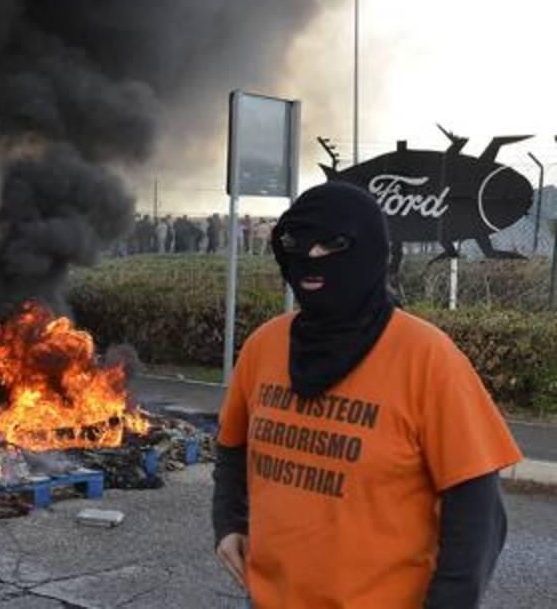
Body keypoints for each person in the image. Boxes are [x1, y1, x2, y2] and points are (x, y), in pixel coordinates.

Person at [212, 182, 521, 608]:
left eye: (333, 244)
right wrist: (228, 522)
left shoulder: (426, 357)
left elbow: (478, 512)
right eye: (298, 244)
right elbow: (232, 444)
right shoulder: (265, 346)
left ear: (371, 250)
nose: (312, 258)